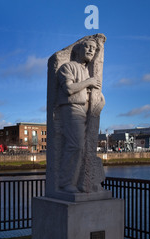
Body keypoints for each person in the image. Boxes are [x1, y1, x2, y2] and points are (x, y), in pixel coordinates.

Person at [56, 39, 101, 193]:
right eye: (88, 47)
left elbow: (89, 93)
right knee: (75, 145)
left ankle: (83, 182)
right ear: (78, 50)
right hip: (72, 108)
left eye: (94, 49)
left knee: (84, 148)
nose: (91, 50)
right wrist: (88, 82)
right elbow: (68, 89)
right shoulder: (67, 67)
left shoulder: (87, 71)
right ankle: (65, 182)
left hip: (86, 111)